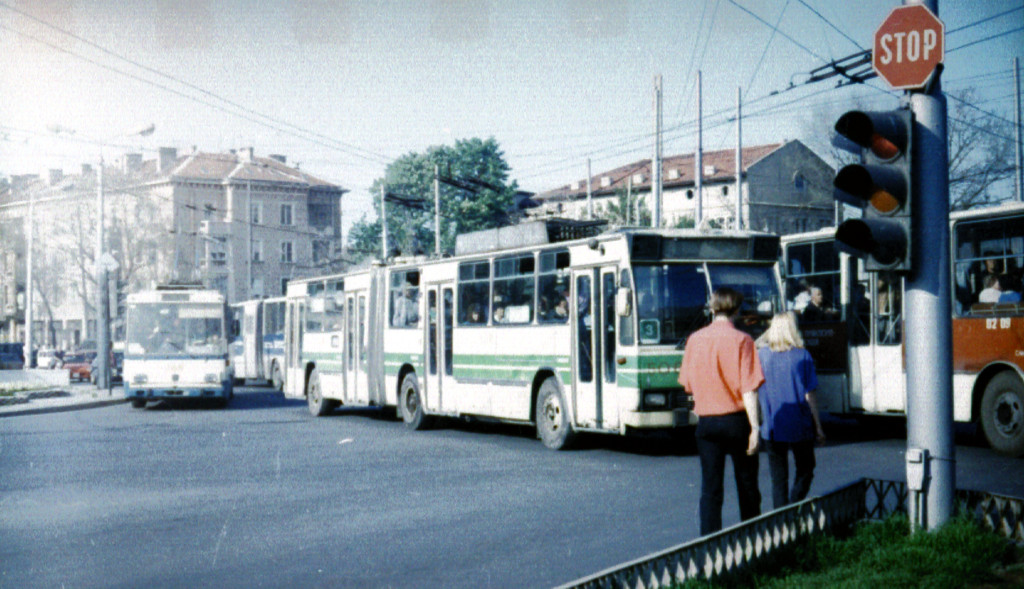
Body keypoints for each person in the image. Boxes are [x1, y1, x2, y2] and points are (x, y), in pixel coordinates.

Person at [677, 287, 764, 535]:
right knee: (747, 485)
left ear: (712, 308)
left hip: (707, 423)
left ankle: (709, 546)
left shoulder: (695, 339)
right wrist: (755, 428)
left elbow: (688, 384)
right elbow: (749, 388)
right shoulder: (743, 340)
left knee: (711, 489)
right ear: (737, 310)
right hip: (737, 421)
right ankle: (751, 539)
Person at [755, 312, 826, 509]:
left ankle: (780, 519)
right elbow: (809, 395)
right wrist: (818, 426)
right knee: (806, 468)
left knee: (779, 478)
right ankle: (794, 506)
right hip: (799, 423)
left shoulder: (761, 356)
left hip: (771, 424)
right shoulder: (802, 355)